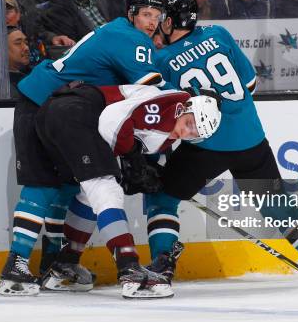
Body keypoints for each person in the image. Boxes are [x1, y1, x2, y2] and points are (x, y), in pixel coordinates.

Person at [140, 0, 298, 286]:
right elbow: (249, 82)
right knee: (276, 204)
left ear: (171, 22)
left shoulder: (161, 60)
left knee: (162, 199)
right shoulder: (219, 34)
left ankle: (162, 262)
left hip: (205, 146)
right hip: (251, 139)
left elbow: (173, 109)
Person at [0, 0, 169, 296]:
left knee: (69, 185)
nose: (152, 22)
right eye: (146, 14)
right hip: (48, 105)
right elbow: (153, 92)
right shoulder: (131, 38)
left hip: (47, 102)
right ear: (132, 14)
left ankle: (52, 266)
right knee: (45, 185)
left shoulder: (116, 30)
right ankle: (17, 265)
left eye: (157, 16)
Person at [32, 82, 221, 298]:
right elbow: (112, 119)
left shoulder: (170, 121)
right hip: (77, 112)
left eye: (193, 133)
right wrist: (133, 157)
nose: (185, 132)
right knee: (106, 190)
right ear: (185, 109)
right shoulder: (168, 107)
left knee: (89, 195)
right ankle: (129, 268)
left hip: (62, 113)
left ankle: (64, 264)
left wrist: (137, 166)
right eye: (189, 123)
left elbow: (128, 135)